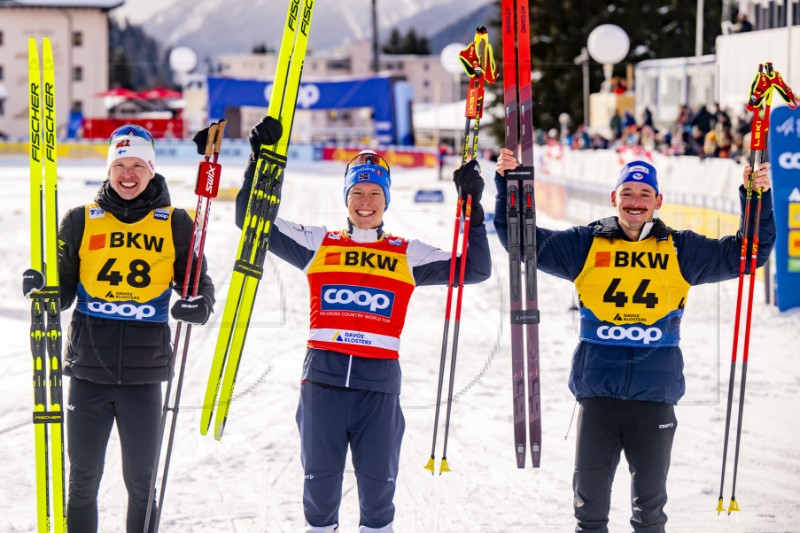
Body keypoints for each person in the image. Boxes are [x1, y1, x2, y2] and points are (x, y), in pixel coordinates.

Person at [231, 117, 491, 533]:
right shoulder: (319, 243)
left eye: (374, 194)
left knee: (377, 501)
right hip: (322, 387)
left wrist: (472, 209)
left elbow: (475, 269)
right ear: (346, 198)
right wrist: (259, 164)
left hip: (378, 391)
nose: (365, 202)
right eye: (357, 193)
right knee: (320, 498)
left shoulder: (407, 254)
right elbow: (250, 219)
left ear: (386, 200)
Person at [493, 150, 775, 532]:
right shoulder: (586, 243)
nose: (635, 202)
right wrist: (509, 184)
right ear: (614, 198)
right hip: (598, 399)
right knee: (589, 513)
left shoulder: (680, 248)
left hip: (654, 399)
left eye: (645, 194)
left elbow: (747, 254)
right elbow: (520, 241)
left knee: (650, 513)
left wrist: (756, 198)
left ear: (658, 201)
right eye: (627, 193)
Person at [23, 124, 215, 532]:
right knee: (82, 482)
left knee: (142, 485)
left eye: (138, 166)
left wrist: (199, 306)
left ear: (151, 169)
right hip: (88, 373)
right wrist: (41, 289)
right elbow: (61, 291)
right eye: (120, 166)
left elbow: (198, 284)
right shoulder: (80, 220)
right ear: (109, 170)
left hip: (144, 380)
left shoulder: (176, 223)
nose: (128, 175)